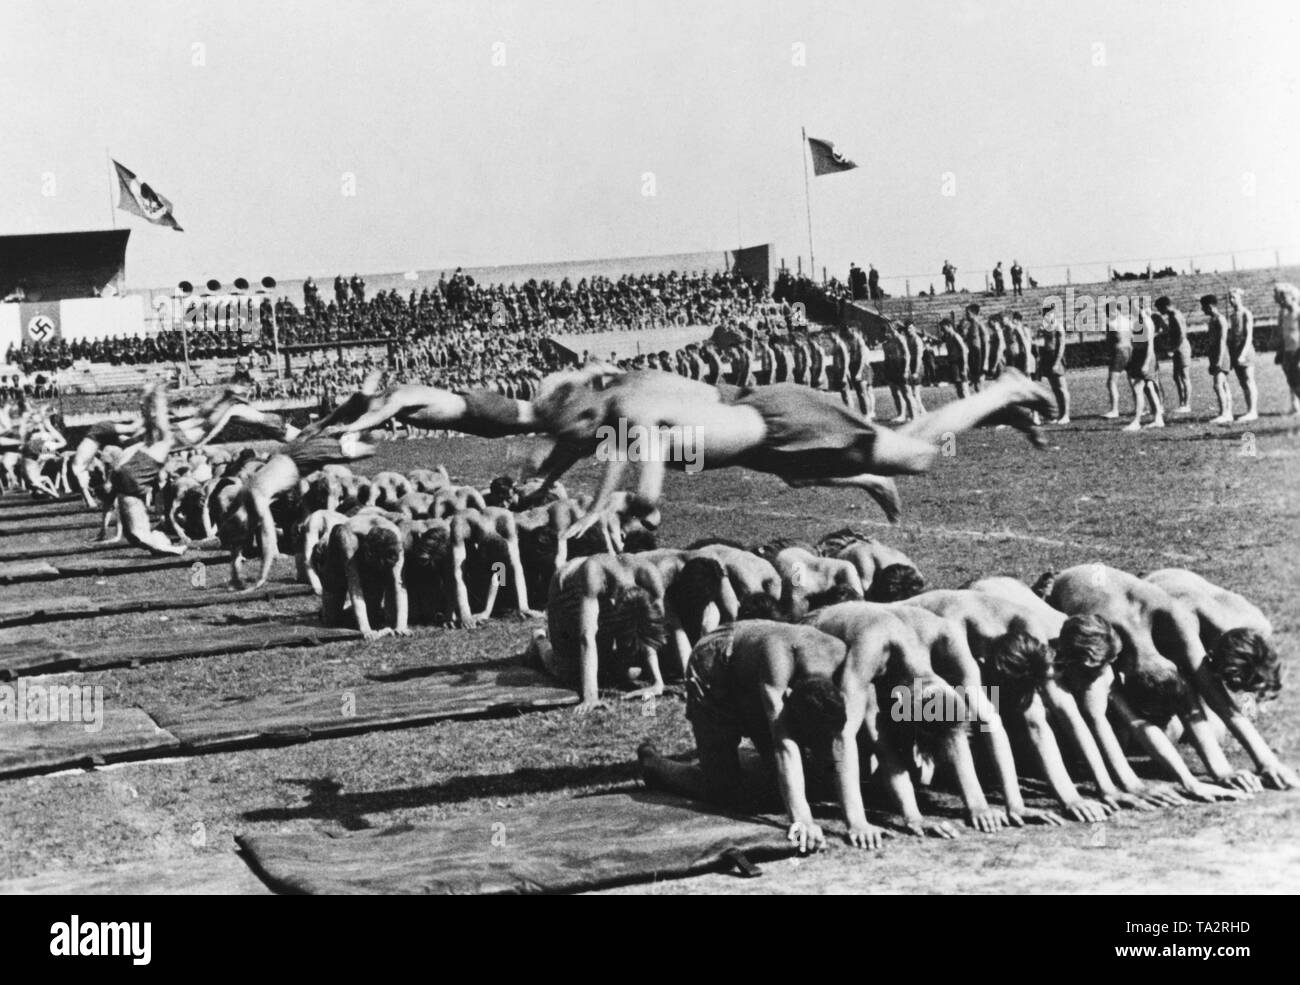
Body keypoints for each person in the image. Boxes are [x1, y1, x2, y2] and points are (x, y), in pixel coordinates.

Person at [541, 366, 1054, 535]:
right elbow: (593, 449)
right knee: (825, 471)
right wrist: (546, 484)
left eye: (577, 437)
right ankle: (993, 408)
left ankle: (1002, 391)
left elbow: (646, 495)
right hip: (772, 438)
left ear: (588, 415)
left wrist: (618, 505)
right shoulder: (620, 393)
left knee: (919, 455)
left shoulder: (629, 416)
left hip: (784, 425)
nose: (577, 449)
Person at [637, 615, 890, 851]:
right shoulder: (779, 656)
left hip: (753, 673)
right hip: (716, 659)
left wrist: (857, 822)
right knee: (724, 790)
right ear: (788, 698)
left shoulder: (850, 673)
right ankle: (654, 764)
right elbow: (784, 744)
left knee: (809, 779)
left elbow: (842, 740)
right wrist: (802, 820)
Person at [1045, 564, 1297, 793]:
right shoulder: (1101, 639)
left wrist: (1259, 764)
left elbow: (1213, 697)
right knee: (1088, 728)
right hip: (1064, 592)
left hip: (1114, 586)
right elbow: (1107, 718)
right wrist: (1123, 786)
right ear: (1120, 676)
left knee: (1207, 729)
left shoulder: (1175, 619)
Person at [1125, 297, 1165, 431]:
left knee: (1138, 388)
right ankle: (1158, 419)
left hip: (1145, 357)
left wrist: (1146, 363)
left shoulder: (1146, 322)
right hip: (1139, 355)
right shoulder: (1138, 321)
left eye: (1133, 307)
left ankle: (1136, 421)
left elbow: (1150, 345)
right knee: (1149, 387)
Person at [1155, 296, 1192, 414]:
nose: (1160, 312)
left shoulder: (1175, 315)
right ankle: (1182, 403)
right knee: (1176, 376)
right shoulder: (1171, 315)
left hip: (1181, 348)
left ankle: (1187, 404)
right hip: (1178, 348)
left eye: (1160, 308)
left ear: (1165, 306)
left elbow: (1182, 334)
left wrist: (1173, 348)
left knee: (1184, 376)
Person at [1226, 288, 1258, 422]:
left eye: (1233, 297)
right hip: (1235, 351)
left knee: (1249, 381)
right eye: (1230, 298)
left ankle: (1253, 411)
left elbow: (1249, 336)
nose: (1231, 300)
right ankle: (1248, 409)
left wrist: (1243, 354)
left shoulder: (1246, 313)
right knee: (1242, 383)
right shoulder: (1232, 315)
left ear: (1240, 298)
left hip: (1245, 352)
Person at [1201, 294, 1234, 424]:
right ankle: (1228, 413)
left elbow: (1222, 341)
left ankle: (1224, 413)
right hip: (1215, 355)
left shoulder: (1221, 319)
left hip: (1222, 355)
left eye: (1203, 307)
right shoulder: (1212, 320)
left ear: (1209, 306)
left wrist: (1219, 361)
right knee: (1224, 384)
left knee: (1218, 385)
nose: (1202, 310)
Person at [1037, 303, 1070, 423]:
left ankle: (1066, 415)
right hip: (1047, 357)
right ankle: (1060, 414)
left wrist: (1056, 362)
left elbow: (1061, 346)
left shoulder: (1058, 326)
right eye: (1045, 313)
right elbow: (1042, 343)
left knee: (1061, 387)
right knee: (1055, 388)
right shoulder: (1046, 327)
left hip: (1056, 357)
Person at [1102, 304, 1134, 420]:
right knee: (1133, 380)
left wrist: (1108, 354)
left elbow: (1109, 341)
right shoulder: (1128, 321)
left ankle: (1114, 410)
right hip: (1130, 350)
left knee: (1111, 382)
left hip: (1118, 352)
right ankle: (1139, 407)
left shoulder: (1110, 323)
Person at [1274, 282, 1300, 416]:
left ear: (1293, 297)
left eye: (1284, 297)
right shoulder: (1284, 314)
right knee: (1293, 382)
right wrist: (1280, 352)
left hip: (1298, 353)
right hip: (1288, 352)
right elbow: (1283, 335)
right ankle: (1296, 406)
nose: (1281, 300)